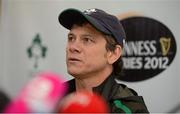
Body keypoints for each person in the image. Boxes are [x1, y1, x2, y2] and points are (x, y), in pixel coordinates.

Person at [58, 8, 149, 113]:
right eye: (71, 38)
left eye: (87, 40)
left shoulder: (129, 109)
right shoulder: (53, 99)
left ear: (113, 53)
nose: (73, 47)